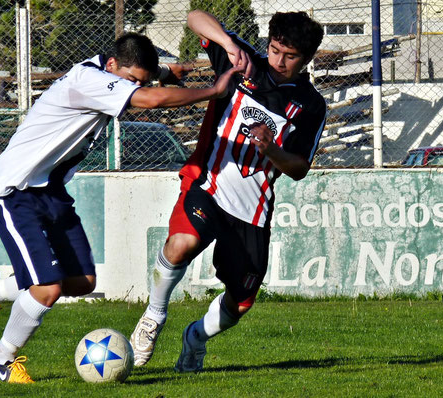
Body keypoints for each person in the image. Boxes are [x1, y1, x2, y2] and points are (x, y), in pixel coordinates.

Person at [0, 32, 245, 384]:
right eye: (131, 80)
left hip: (49, 189)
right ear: (112, 66)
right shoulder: (89, 80)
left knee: (82, 282)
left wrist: (164, 72)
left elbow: (145, 80)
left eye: (138, 81)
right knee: (48, 288)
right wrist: (214, 91)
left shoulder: (109, 71)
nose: (133, 87)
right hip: (15, 190)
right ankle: (2, 359)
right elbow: (151, 99)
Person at [130, 10, 327, 372]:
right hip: (208, 183)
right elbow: (193, 17)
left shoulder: (310, 105)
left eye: (290, 55)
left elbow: (299, 168)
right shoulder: (244, 63)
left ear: (307, 58)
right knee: (181, 244)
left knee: (239, 304)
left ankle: (195, 339)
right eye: (274, 49)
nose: (278, 60)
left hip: (252, 210)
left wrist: (271, 150)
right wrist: (226, 44)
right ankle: (153, 317)